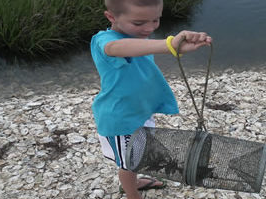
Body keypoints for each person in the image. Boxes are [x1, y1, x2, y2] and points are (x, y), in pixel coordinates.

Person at [90, 0, 212, 198]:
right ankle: (132, 193)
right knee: (129, 163)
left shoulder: (138, 36)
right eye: (139, 23)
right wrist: (169, 44)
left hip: (141, 112)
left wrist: (175, 46)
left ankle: (134, 182)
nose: (148, 28)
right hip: (120, 119)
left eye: (155, 20)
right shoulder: (103, 40)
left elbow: (138, 48)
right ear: (111, 17)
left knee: (139, 154)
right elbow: (116, 48)